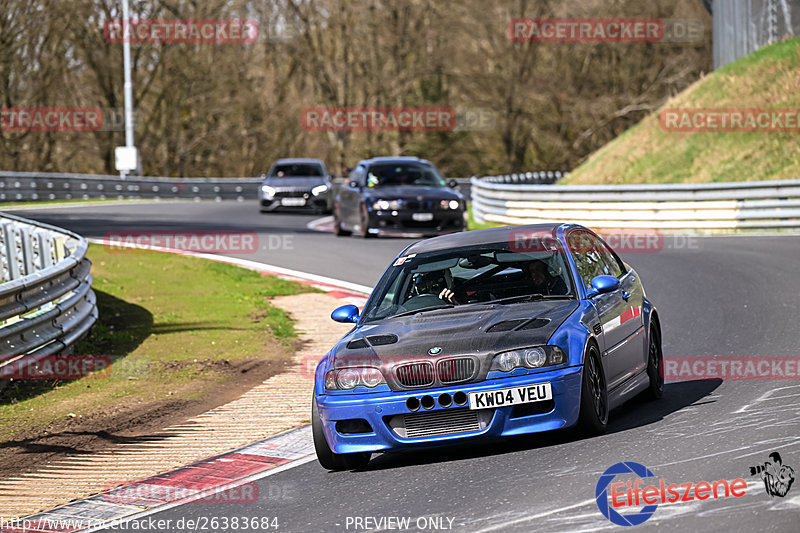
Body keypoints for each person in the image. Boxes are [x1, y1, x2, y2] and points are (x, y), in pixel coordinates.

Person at [438, 258, 565, 304]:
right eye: (531, 272)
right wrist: (453, 306)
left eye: (537, 270)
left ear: (550, 270)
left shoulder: (563, 289)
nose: (534, 275)